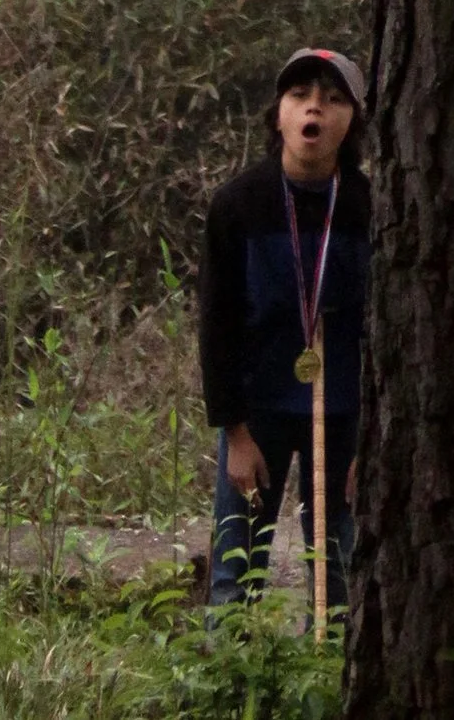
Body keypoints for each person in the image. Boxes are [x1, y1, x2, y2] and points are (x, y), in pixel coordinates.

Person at [198, 43, 372, 618]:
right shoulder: (237, 206)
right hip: (258, 413)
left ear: (353, 118)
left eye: (332, 99)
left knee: (343, 578)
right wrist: (235, 433)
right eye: (299, 96)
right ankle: (231, 691)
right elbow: (216, 326)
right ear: (279, 113)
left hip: (347, 414)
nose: (313, 110)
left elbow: (388, 331)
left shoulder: (375, 208)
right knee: (235, 574)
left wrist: (373, 439)